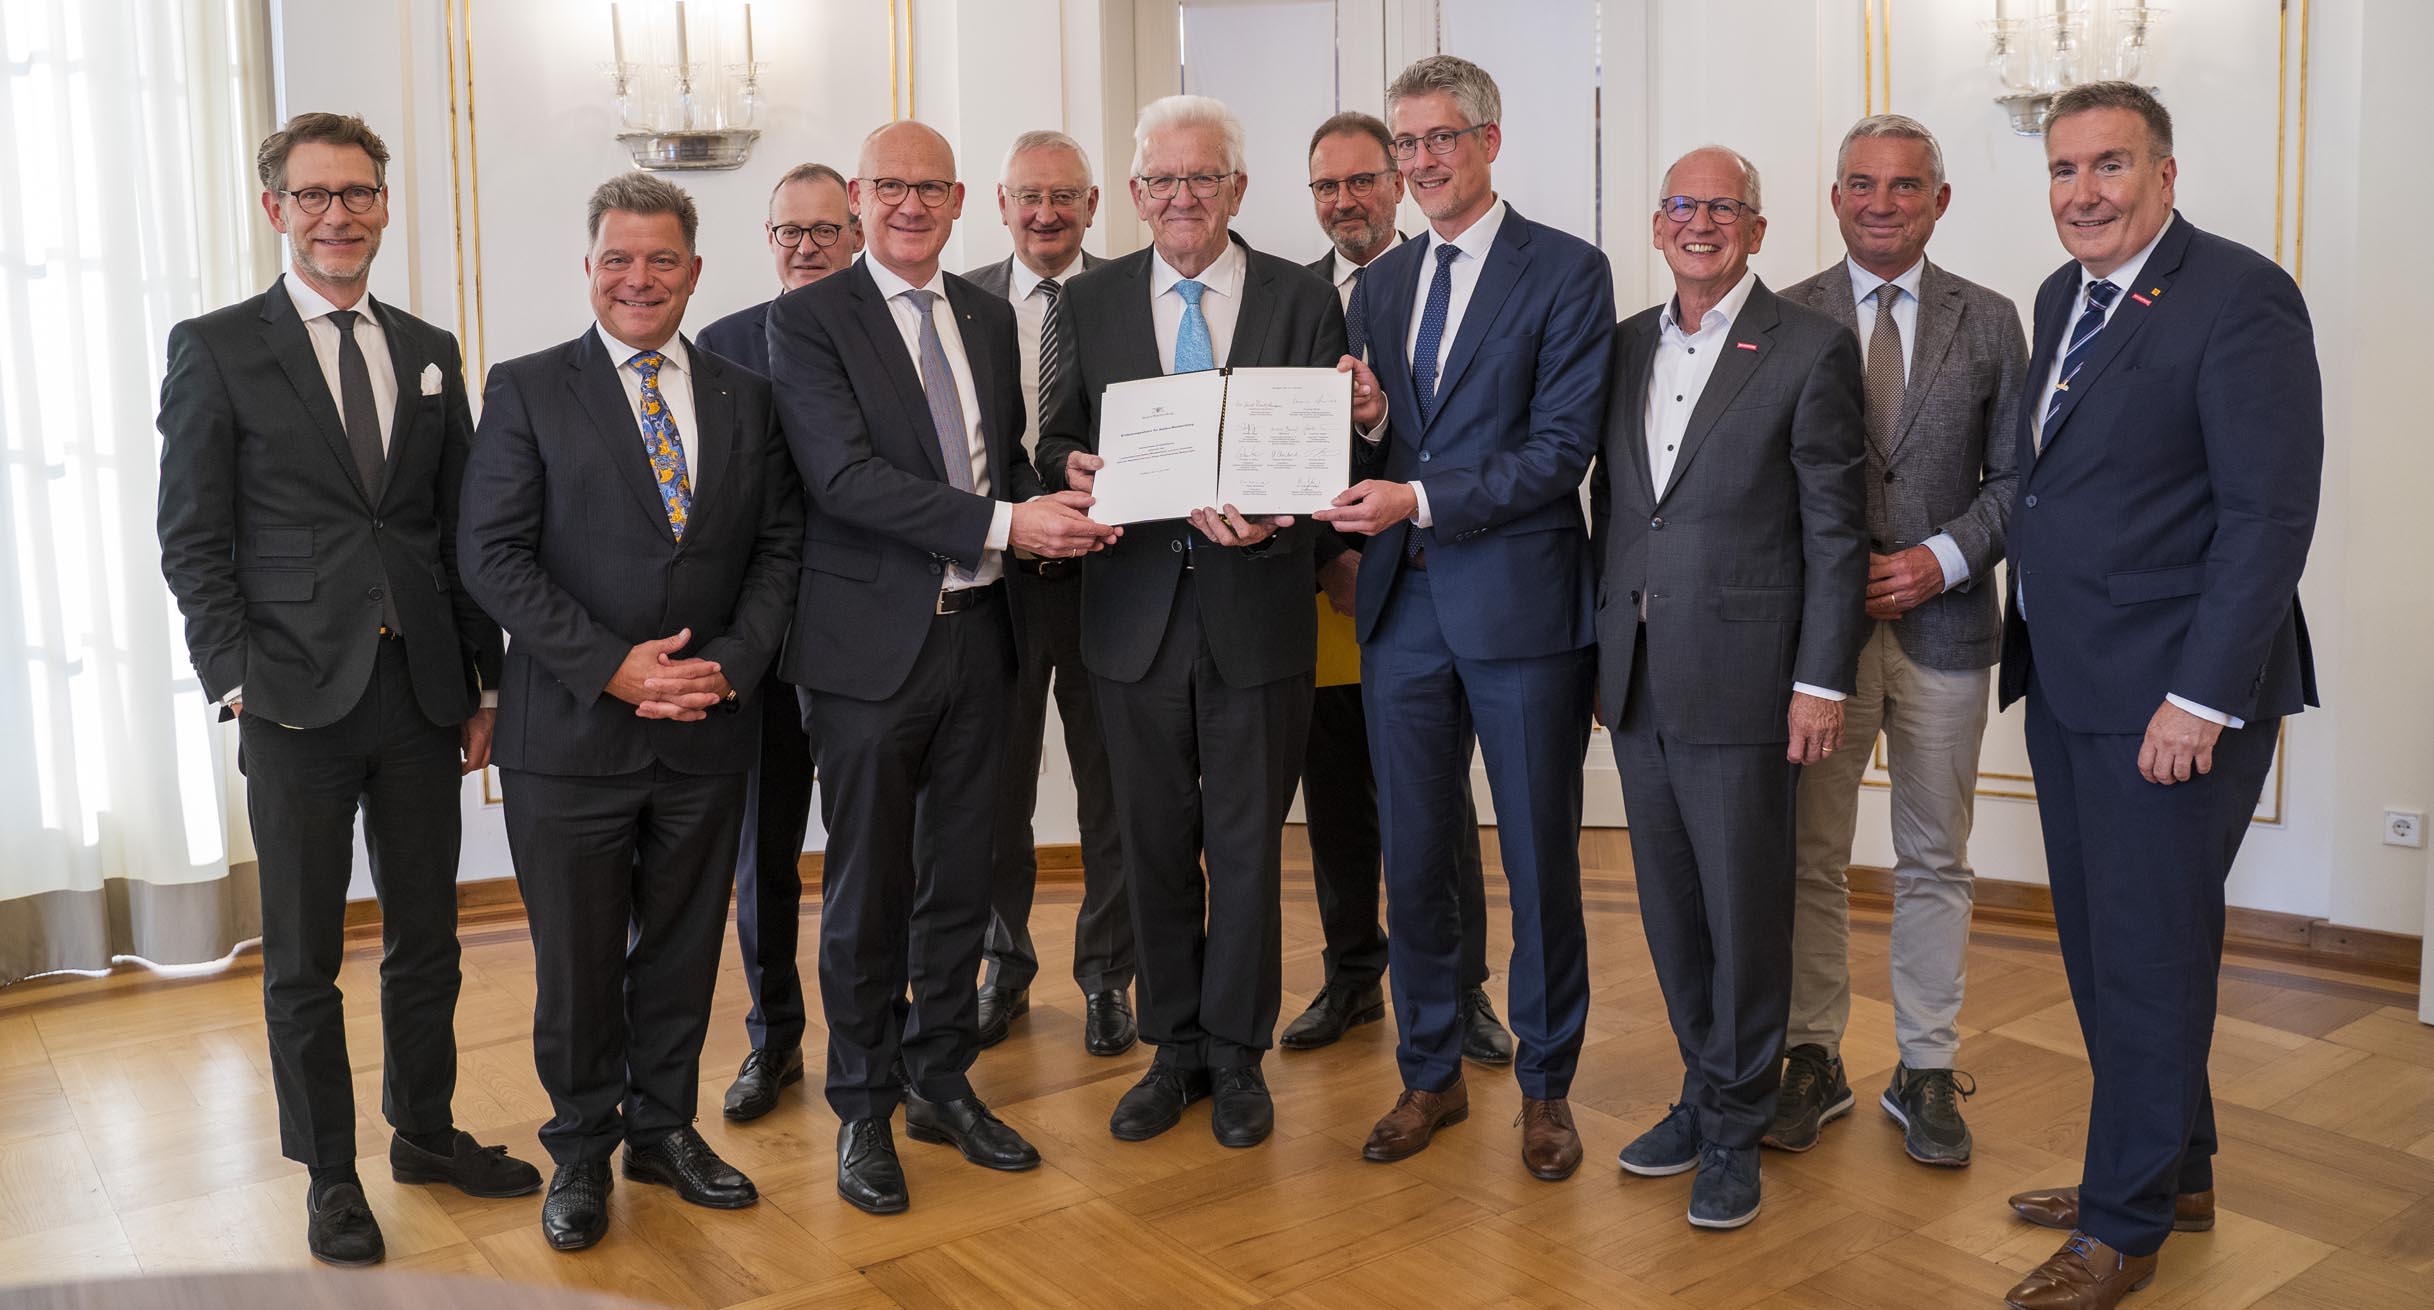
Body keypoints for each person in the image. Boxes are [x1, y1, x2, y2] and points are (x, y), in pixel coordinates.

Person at [155, 111, 539, 1268]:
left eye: (358, 193)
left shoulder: (428, 346)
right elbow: (192, 537)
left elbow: (465, 531)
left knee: (430, 938)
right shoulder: (217, 345)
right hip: (290, 701)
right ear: (276, 208)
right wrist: (234, 681)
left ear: (383, 204)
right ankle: (330, 1169)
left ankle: (422, 1129)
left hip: (420, 693)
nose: (339, 214)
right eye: (314, 195)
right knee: (303, 955)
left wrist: (487, 682)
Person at [1994, 82, 2320, 1310]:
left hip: (2175, 698)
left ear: (2165, 173)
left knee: (2144, 955)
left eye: (2109, 166)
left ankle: (2121, 1225)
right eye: (2064, 169)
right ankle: (2175, 1169)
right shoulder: (2060, 296)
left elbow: (2266, 516)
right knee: (2105, 947)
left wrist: (2198, 696)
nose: (2082, 192)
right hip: (2074, 678)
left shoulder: (2240, 296)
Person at [768, 120, 1116, 1215]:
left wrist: (1057, 472)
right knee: (870, 888)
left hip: (984, 638)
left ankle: (939, 1077)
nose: (910, 204)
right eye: (890, 187)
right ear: (861, 199)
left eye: (930, 188)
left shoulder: (985, 313)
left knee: (964, 875)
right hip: (868, 651)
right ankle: (863, 1106)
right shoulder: (808, 318)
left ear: (962, 201)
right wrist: (1017, 520)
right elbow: (846, 480)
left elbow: (995, 460)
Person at [458, 173, 800, 1252]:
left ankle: (663, 1129)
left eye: (661, 259)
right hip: (569, 737)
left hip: (708, 726)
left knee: (687, 948)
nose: (638, 278)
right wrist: (613, 668)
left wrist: (732, 667)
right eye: (618, 258)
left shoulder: (750, 394)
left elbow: (779, 549)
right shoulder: (526, 387)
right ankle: (578, 1150)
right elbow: (491, 555)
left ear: (695, 271)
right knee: (576, 959)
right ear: (590, 267)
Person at [1035, 94, 1377, 1150]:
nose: (1181, 197)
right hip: (1129, 614)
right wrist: (1069, 466)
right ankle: (1170, 1048)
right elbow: (1047, 438)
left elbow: (1334, 455)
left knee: (1243, 846)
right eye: (1160, 180)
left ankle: (1236, 1052)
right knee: (1149, 843)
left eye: (1202, 177)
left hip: (1257, 610)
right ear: (1134, 194)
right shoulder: (1083, 302)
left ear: (1236, 187)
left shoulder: (1299, 297)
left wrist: (1295, 492)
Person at [1313, 56, 1611, 1183]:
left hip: (1524, 611)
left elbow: (1558, 452)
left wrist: (1416, 494)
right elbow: (1397, 442)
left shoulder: (1567, 272)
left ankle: (1546, 1088)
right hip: (1402, 612)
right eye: (1407, 144)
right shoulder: (1379, 286)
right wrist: (1382, 427)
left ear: (1489, 140)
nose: (1422, 161)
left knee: (1537, 858)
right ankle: (1427, 1069)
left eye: (1441, 139)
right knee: (1416, 855)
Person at [1591, 146, 1868, 1229]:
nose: (1699, 222)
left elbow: (1833, 534)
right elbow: (1617, 512)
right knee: (1668, 910)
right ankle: (1704, 1088)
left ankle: (1738, 1122)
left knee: (1745, 914)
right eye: (1681, 206)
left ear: (1756, 228)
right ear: (1657, 225)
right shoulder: (1621, 349)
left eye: (1722, 207)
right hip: (1639, 676)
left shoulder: (1809, 350)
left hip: (1751, 682)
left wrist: (1818, 679)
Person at [1770, 114, 2027, 1166]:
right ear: (1833, 198)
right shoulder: (1783, 317)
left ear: (1939, 200)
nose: (1882, 202)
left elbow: (2020, 479)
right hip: (1819, 645)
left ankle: (1924, 1064)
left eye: (1905, 186)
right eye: (1862, 185)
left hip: (1947, 626)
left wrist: (1942, 557)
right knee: (1808, 857)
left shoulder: (1993, 319)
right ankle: (1810, 1054)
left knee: (1933, 859)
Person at [1285, 111, 1509, 1063]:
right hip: (1322, 585)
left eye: (1363, 180)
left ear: (1399, 181)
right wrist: (1323, 557)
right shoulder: (1289, 296)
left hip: (1425, 581)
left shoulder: (1444, 279)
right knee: (1334, 791)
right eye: (1327, 187)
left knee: (1434, 802)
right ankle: (1351, 976)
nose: (1347, 200)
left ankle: (1463, 992)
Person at [961, 130, 1134, 1057]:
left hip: (1114, 579)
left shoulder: (1127, 297)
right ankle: (1005, 965)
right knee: (995, 792)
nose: (1046, 213)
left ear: (1093, 204)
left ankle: (1110, 976)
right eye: (1028, 196)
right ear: (999, 204)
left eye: (1064, 196)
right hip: (997, 584)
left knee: (1116, 789)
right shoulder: (957, 305)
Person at [694, 161, 851, 1123]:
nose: (805, 248)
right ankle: (775, 1040)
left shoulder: (893, 337)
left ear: (859, 234)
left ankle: (887, 1032)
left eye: (824, 231)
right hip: (759, 650)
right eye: (789, 232)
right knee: (763, 860)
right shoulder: (721, 345)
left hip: (869, 645)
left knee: (881, 855)